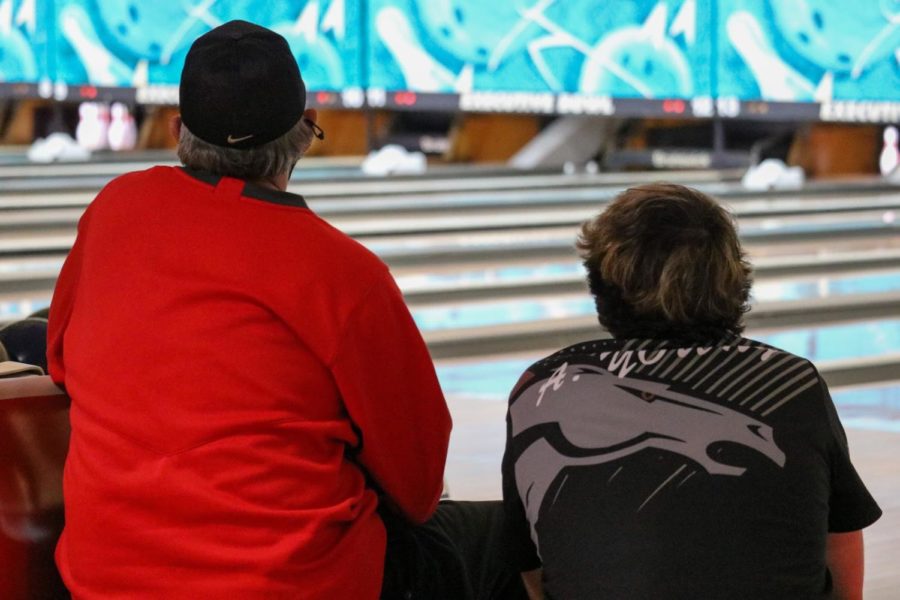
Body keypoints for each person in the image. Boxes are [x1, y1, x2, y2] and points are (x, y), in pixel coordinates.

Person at [47, 20, 466, 599]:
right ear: (306, 130)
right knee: (465, 543)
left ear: (175, 130)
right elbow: (419, 486)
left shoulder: (112, 211)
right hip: (292, 585)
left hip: (102, 583)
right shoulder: (345, 274)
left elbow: (61, 363)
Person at [501, 183, 882, 599]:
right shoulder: (794, 382)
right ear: (733, 280)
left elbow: (530, 562)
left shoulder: (542, 384)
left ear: (602, 284)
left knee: (478, 529)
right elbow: (842, 538)